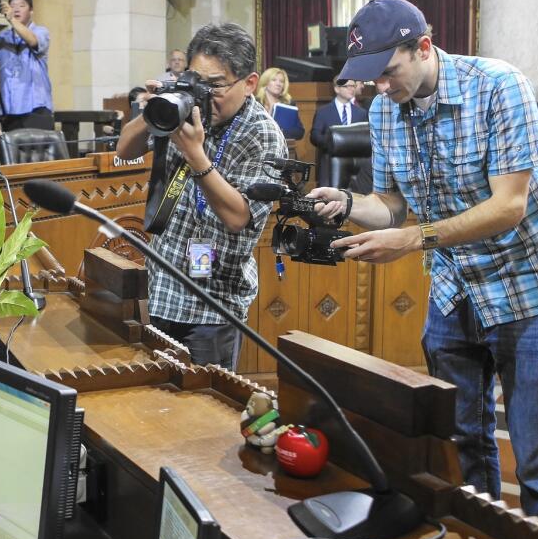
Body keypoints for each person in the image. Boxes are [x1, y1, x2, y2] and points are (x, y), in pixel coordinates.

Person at [308, 0, 538, 537]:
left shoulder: (497, 86)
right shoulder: (387, 109)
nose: (380, 89)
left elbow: (509, 205)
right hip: (455, 296)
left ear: (424, 47)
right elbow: (392, 203)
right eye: (372, 78)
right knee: (460, 458)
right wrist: (344, 202)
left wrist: (414, 239)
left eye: (389, 72)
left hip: (529, 295)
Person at [116, 23, 287, 369]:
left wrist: (195, 154)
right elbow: (124, 148)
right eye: (197, 81)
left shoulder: (263, 135)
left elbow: (240, 218)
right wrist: (154, 109)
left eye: (216, 85)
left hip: (212, 306)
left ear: (250, 83)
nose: (205, 94)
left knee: (204, 416)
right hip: (160, 291)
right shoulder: (184, 108)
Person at [0, 0, 53, 132]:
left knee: (38, 153)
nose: (16, 9)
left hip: (36, 108)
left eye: (21, 6)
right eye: (12, 6)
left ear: (31, 11)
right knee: (13, 153)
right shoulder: (2, 37)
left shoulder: (41, 31)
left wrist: (12, 20)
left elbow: (33, 41)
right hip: (9, 110)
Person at [310, 78, 367, 186]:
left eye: (353, 86)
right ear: (337, 88)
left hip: (356, 167)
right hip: (330, 165)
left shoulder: (361, 113)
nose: (351, 89)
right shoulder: (323, 111)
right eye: (347, 86)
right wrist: (335, 144)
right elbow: (315, 136)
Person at [257, 66, 303, 140]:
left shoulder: (288, 104)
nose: (278, 84)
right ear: (265, 82)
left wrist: (279, 132)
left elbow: (299, 132)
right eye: (274, 80)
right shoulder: (256, 103)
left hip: (283, 146)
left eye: (281, 81)